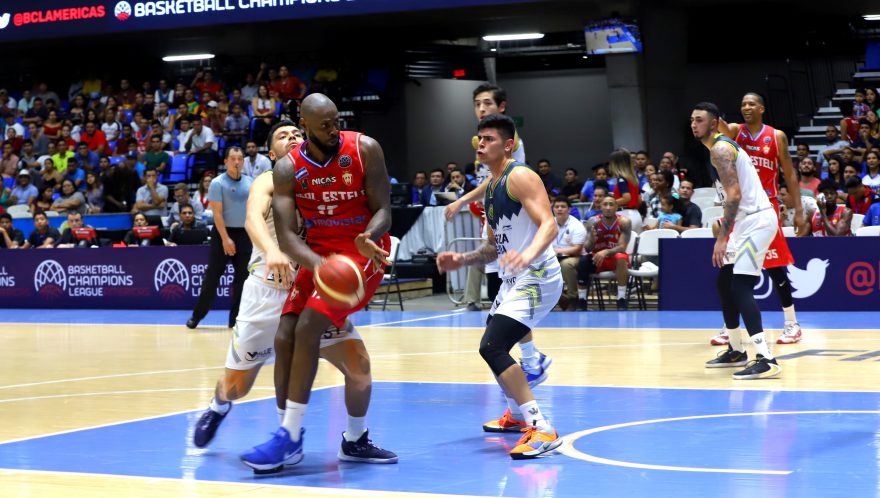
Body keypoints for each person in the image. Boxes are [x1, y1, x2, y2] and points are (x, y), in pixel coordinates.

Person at [194, 122, 394, 469]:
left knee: (359, 367)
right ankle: (219, 404)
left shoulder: (319, 177)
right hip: (266, 291)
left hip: (312, 289)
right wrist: (272, 249)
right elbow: (253, 218)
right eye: (283, 136)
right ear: (271, 155)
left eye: (296, 134)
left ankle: (352, 439)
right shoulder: (268, 179)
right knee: (237, 386)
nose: (293, 138)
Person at [437, 114, 563, 460]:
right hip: (514, 279)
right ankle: (518, 415)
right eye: (479, 139)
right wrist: (462, 260)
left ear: (508, 145)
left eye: (489, 139)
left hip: (538, 275)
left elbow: (549, 225)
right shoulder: (492, 188)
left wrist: (528, 255)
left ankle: (541, 427)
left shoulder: (520, 176)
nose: (481, 144)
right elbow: (493, 248)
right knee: (494, 346)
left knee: (492, 347)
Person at [443, 83, 549, 384]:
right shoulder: (483, 145)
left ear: (502, 106)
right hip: (497, 213)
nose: (481, 108)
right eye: (477, 103)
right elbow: (491, 182)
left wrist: (463, 199)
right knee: (503, 296)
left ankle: (530, 364)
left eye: (487, 103)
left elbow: (505, 179)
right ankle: (530, 362)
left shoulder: (507, 143)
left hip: (516, 212)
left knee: (503, 313)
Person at [692, 102, 781, 380]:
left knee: (741, 286)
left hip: (756, 221)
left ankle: (766, 358)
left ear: (714, 122)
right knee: (725, 282)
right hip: (744, 222)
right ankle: (736, 349)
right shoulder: (716, 150)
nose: (694, 124)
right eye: (692, 120)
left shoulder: (720, 149)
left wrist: (722, 237)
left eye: (699, 120)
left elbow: (734, 195)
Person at [713, 92, 806, 346]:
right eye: (743, 103)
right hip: (740, 208)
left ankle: (792, 323)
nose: (746, 107)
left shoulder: (776, 136)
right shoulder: (735, 132)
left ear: (762, 108)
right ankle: (730, 326)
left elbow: (790, 175)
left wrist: (798, 211)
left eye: (751, 103)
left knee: (774, 266)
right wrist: (710, 117)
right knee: (730, 266)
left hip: (766, 208)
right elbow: (721, 128)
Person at [187, 147, 253, 330]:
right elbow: (217, 214)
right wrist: (225, 239)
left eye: (240, 158)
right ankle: (197, 316)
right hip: (222, 234)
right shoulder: (217, 183)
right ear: (225, 162)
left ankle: (236, 319)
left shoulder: (250, 182)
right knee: (212, 277)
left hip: (244, 235)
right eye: (233, 158)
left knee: (243, 279)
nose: (237, 162)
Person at [578, 196, 633, 310]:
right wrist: (592, 240)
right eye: (605, 204)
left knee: (621, 257)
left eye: (611, 204)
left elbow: (622, 247)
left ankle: (621, 299)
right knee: (583, 261)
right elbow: (587, 249)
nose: (608, 207)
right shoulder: (593, 222)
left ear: (616, 207)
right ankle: (582, 300)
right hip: (598, 259)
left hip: (615, 259)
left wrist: (606, 251)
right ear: (600, 207)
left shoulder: (624, 222)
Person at [551, 196, 587, 311]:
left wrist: (557, 251)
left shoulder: (576, 225)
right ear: (553, 209)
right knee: (538, 265)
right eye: (557, 207)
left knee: (566, 265)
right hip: (553, 257)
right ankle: (557, 297)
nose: (559, 209)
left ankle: (573, 298)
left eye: (563, 206)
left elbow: (577, 249)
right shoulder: (549, 224)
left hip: (576, 257)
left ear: (569, 209)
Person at [607, 149, 643, 232]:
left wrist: (610, 203)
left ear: (615, 164)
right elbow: (639, 200)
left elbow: (626, 198)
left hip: (625, 215)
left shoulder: (621, 179)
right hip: (636, 215)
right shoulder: (634, 179)